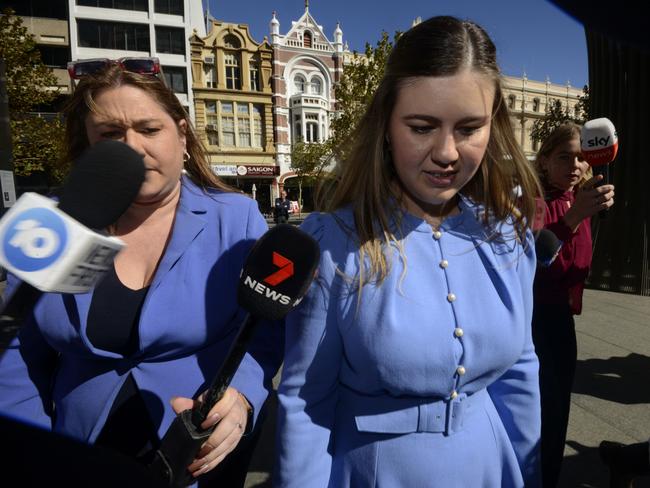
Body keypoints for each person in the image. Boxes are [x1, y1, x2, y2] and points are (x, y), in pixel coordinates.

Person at [275, 16, 543, 487]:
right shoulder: (333, 243)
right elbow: (305, 403)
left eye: (469, 128)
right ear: (385, 126)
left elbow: (520, 373)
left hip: (491, 469)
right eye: (421, 127)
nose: (446, 151)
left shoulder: (509, 238)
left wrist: (529, 473)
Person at [0, 59, 283, 486]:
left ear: (181, 135)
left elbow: (264, 332)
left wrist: (241, 397)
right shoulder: (52, 223)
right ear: (88, 145)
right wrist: (31, 453)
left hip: (196, 457)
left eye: (149, 130)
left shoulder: (236, 217)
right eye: (111, 134)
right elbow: (18, 354)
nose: (132, 147)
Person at [531, 122, 615, 487]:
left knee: (557, 411)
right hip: (534, 321)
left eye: (582, 158)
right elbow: (533, 260)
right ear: (545, 160)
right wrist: (574, 216)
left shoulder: (576, 198)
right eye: (565, 156)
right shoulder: (533, 200)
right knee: (540, 414)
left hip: (562, 318)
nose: (575, 165)